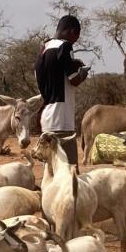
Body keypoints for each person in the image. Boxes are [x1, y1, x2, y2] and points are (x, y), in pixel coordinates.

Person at [35, 14, 89, 164]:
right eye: (76, 36)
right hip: (62, 120)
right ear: (72, 31)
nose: (75, 40)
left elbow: (55, 72)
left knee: (51, 173)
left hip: (47, 120)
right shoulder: (64, 46)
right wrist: (83, 73)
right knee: (69, 174)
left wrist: (72, 63)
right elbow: (74, 80)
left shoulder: (43, 49)